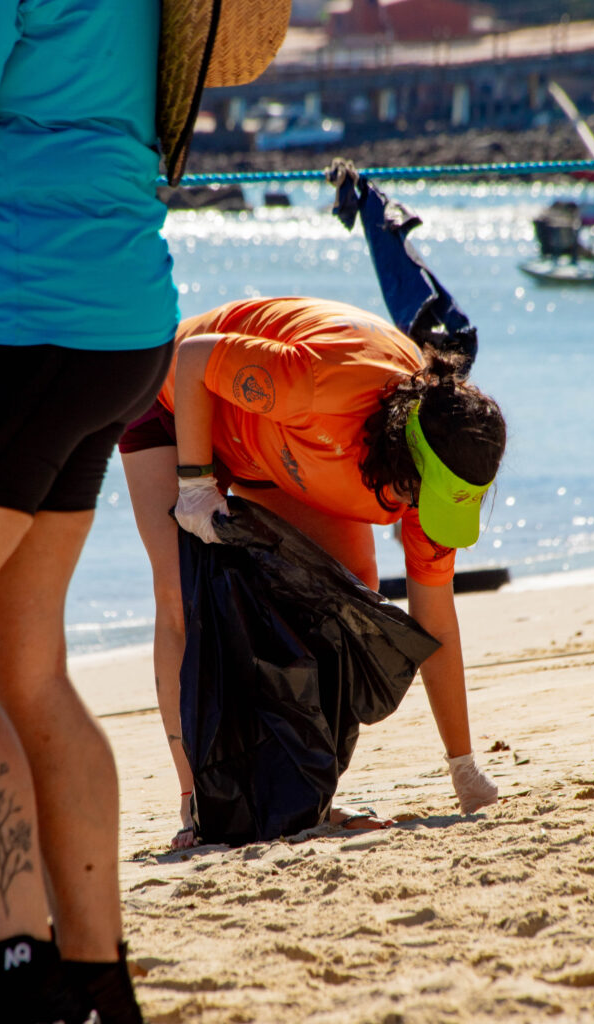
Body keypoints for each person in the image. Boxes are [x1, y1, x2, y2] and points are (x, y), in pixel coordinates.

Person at [0, 2, 181, 1021]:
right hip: (119, 316)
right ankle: (98, 977)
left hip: (10, 318)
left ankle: (17, 958)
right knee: (23, 665)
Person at [119, 296, 507, 850]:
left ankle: (306, 792)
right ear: (401, 454)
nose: (419, 513)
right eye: (417, 496)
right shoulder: (324, 384)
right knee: (183, 598)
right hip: (172, 399)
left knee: (349, 601)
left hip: (272, 441)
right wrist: (197, 483)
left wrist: (464, 766)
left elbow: (436, 620)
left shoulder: (441, 459)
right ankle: (196, 804)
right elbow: (194, 359)